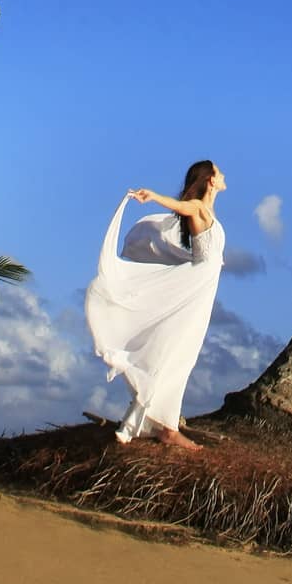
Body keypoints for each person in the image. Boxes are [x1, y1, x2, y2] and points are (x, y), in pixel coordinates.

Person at [84, 160, 227, 450]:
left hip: (201, 290)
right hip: (195, 287)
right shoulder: (199, 208)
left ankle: (153, 420)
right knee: (176, 353)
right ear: (211, 180)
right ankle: (167, 428)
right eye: (219, 171)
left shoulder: (207, 211)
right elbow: (183, 207)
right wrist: (153, 196)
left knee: (179, 353)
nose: (224, 175)